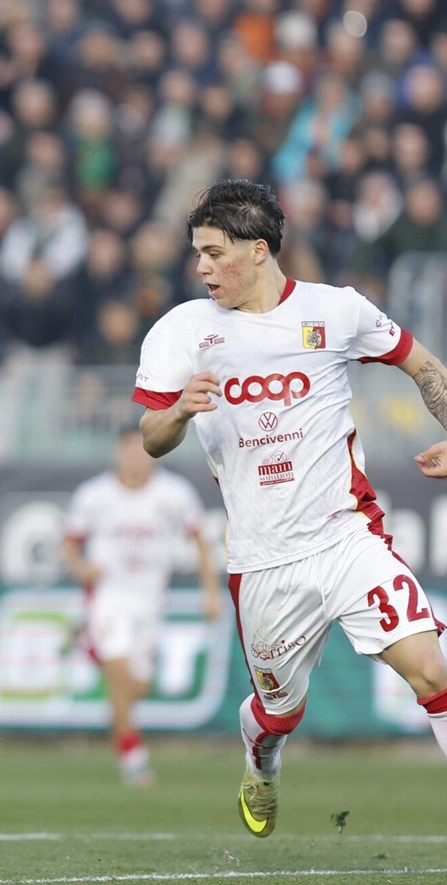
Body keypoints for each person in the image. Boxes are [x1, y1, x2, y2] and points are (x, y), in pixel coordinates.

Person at [133, 178, 447, 837]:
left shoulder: (336, 311)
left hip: (348, 536)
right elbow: (152, 438)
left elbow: (423, 366)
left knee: (432, 669)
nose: (202, 268)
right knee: (280, 713)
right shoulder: (182, 330)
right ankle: (261, 758)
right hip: (264, 559)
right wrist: (181, 411)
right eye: (197, 254)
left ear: (257, 250)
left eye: (214, 253)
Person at [61, 426, 220, 787]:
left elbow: (201, 540)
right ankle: (133, 756)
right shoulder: (94, 495)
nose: (135, 457)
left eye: (141, 450)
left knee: (138, 688)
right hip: (108, 597)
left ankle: (87, 645)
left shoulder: (175, 493)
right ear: (118, 453)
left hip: (150, 601)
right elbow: (69, 546)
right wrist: (82, 568)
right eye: (128, 450)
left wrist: (210, 594)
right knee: (119, 675)